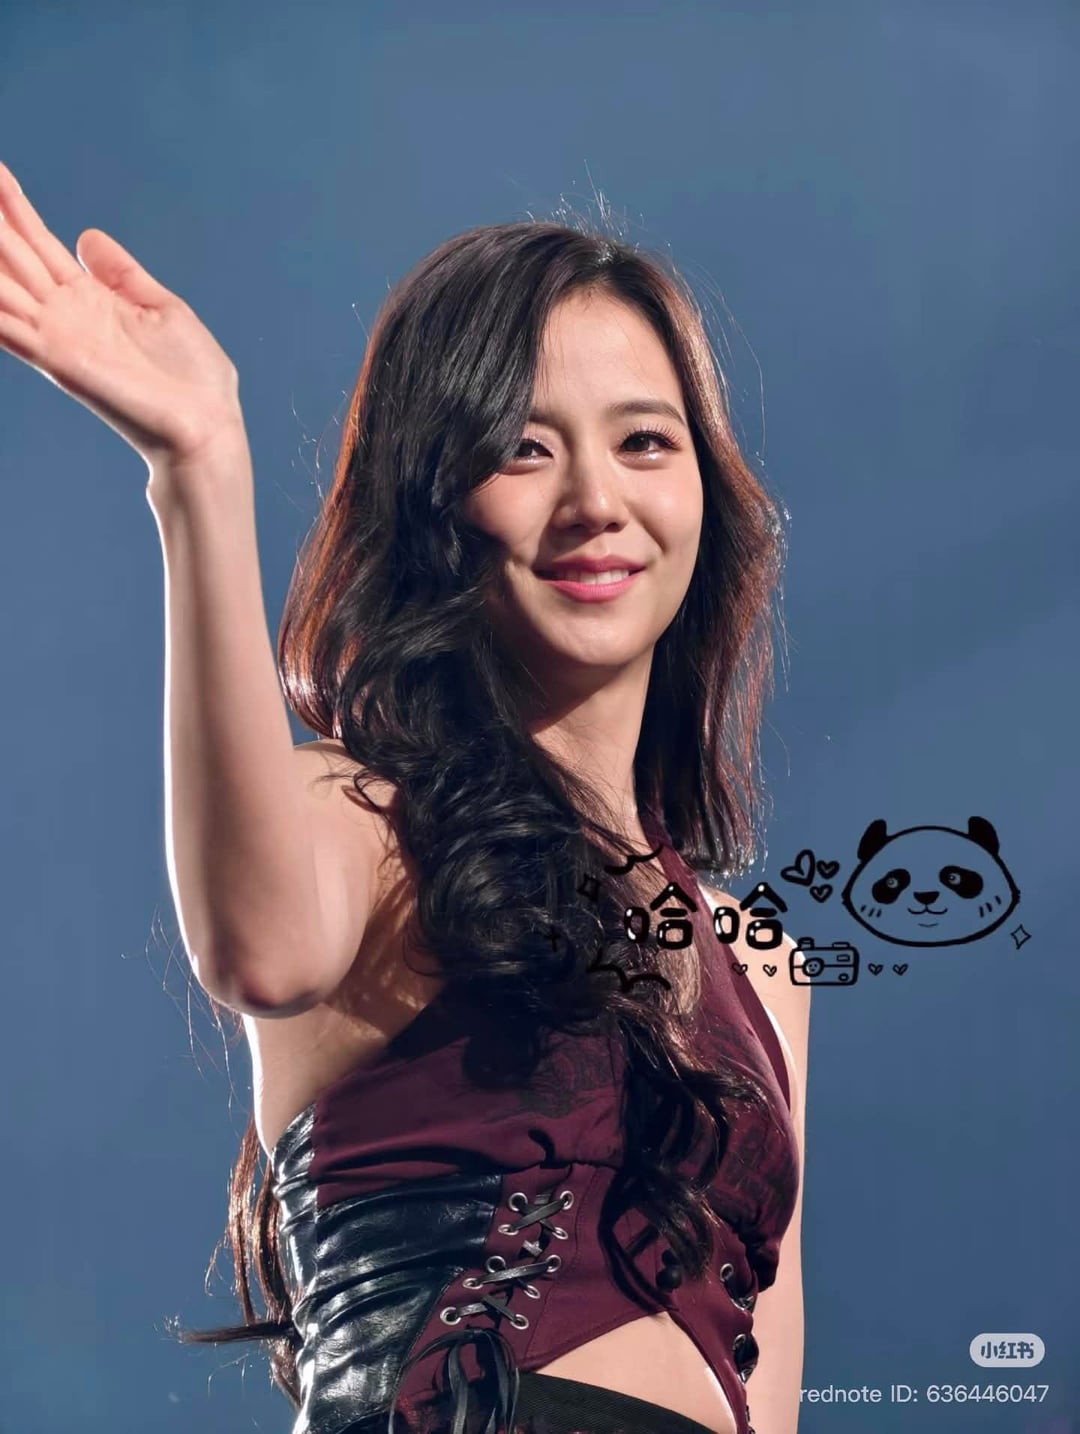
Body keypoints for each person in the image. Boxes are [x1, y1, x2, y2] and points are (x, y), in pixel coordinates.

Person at [0, 160, 809, 1434]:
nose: (596, 501)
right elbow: (259, 952)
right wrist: (199, 462)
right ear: (435, 502)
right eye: (522, 448)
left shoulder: (763, 961)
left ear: (704, 487)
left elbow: (765, 1377)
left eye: (645, 441)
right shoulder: (368, 822)